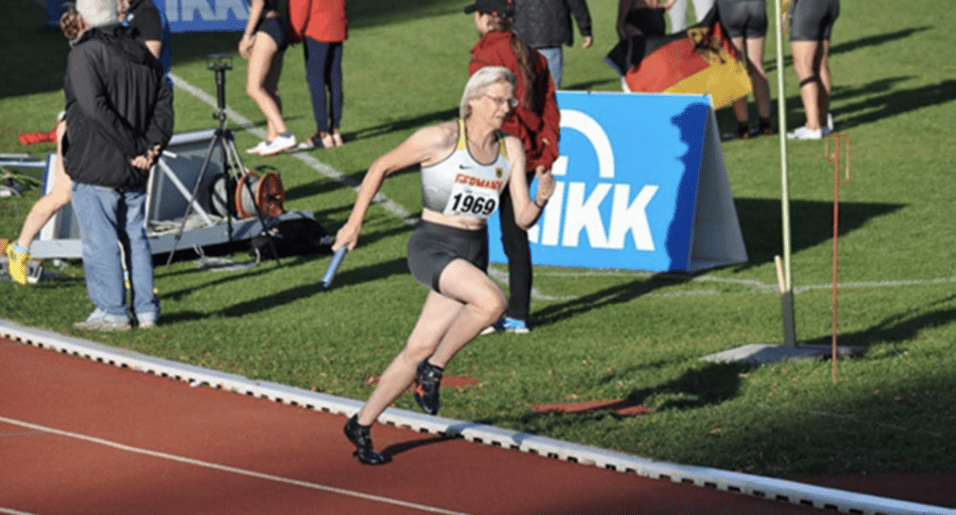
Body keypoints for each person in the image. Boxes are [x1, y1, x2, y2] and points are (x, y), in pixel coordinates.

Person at [335, 67, 555, 465]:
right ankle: (433, 372)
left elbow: (521, 218)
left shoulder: (511, 149)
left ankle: (362, 424)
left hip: (473, 249)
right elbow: (379, 166)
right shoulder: (440, 138)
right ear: (473, 100)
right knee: (492, 304)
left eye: (510, 101)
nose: (506, 108)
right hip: (433, 245)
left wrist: (541, 198)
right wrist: (354, 223)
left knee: (417, 346)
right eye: (499, 99)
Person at [6, 2, 169, 286]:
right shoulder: (96, 46)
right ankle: (19, 249)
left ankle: (128, 275)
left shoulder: (108, 37)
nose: (120, 10)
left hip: (106, 126)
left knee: (112, 198)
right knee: (64, 194)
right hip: (84, 129)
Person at [64, 0, 173, 330]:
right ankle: (146, 309)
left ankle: (111, 310)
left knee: (100, 240)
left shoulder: (85, 53)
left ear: (83, 18)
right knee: (135, 237)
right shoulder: (141, 52)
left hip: (99, 160)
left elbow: (95, 109)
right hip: (135, 165)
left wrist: (138, 147)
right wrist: (150, 147)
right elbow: (164, 105)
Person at [467, 0, 560, 334]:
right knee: (515, 235)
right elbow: (550, 106)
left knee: (471, 230)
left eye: (476, 14)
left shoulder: (486, 57)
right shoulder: (532, 54)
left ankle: (480, 311)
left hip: (494, 152)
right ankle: (518, 314)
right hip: (527, 155)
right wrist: (546, 150)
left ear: (487, 19)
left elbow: (483, 112)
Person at [289, 0, 347, 150]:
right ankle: (335, 131)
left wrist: (294, 33)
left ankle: (323, 133)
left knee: (316, 79)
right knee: (334, 79)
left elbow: (300, 5)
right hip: (337, 23)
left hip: (317, 27)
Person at [241, 0, 296, 155]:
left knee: (253, 88)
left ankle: (284, 134)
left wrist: (247, 35)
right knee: (270, 88)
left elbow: (258, 3)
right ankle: (272, 138)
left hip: (267, 27)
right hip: (276, 25)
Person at [783, 0, 839, 140]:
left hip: (808, 6)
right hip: (830, 4)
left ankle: (813, 128)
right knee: (819, 64)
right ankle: (822, 124)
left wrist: (782, 11)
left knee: (803, 66)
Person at [717, 0, 772, 139]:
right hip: (756, 7)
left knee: (736, 68)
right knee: (757, 64)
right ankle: (765, 124)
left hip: (730, 8)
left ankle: (743, 127)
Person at [513, 0, 593, 90]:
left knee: (524, 87)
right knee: (551, 88)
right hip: (551, 34)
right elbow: (577, 4)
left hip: (524, 33)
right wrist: (586, 30)